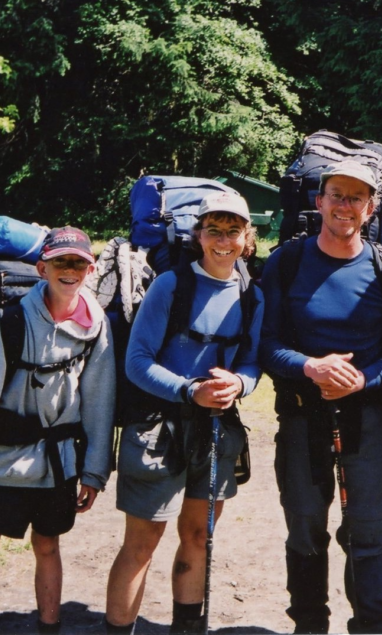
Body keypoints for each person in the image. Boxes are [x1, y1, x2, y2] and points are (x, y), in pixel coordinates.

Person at [260, 160, 382, 634]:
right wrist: (309, 367)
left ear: (370, 208)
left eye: (356, 198)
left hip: (365, 419)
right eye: (337, 195)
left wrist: (361, 381)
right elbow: (265, 345)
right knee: (305, 528)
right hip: (302, 416)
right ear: (319, 201)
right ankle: (309, 624)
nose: (345, 206)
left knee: (371, 530)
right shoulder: (286, 263)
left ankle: (374, 626)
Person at [0, 226, 116, 634]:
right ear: (42, 268)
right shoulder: (13, 320)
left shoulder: (96, 324)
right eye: (60, 262)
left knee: (48, 544)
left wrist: (93, 469)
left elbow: (100, 400)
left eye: (78, 263)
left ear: (90, 270)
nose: (70, 270)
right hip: (5, 457)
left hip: (59, 463)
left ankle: (49, 628)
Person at [104, 192, 264, 635]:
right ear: (198, 234)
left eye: (233, 231)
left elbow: (252, 362)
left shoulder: (252, 294)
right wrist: (189, 390)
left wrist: (239, 384)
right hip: (158, 427)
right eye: (214, 230)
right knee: (142, 544)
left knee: (198, 537)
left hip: (216, 429)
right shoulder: (171, 285)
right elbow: (137, 361)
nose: (223, 241)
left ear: (247, 238)